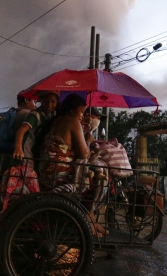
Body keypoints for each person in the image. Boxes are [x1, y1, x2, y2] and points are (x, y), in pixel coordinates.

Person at [39, 94, 108, 236]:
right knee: (100, 178)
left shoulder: (56, 121)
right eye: (81, 112)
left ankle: (92, 220)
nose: (83, 116)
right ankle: (89, 221)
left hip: (47, 175)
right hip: (60, 177)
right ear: (71, 111)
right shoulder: (72, 122)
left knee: (92, 174)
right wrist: (88, 139)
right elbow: (83, 154)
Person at [13, 90, 59, 168]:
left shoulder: (53, 114)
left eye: (53, 102)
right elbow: (21, 130)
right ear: (40, 100)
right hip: (26, 149)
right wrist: (18, 148)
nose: (49, 104)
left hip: (36, 150)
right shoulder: (35, 115)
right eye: (46, 101)